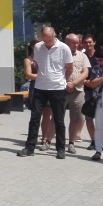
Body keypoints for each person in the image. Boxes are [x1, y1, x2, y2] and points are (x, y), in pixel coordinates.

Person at [17, 27, 73, 158]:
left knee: (59, 119)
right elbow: (37, 64)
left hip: (57, 88)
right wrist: (44, 76)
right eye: (45, 40)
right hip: (40, 87)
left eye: (49, 40)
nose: (47, 43)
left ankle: (60, 149)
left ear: (55, 36)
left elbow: (69, 68)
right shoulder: (38, 47)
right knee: (34, 118)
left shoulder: (64, 48)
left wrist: (61, 80)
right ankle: (29, 148)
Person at [64, 34, 90, 154]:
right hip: (61, 89)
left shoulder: (82, 55)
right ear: (67, 43)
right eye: (73, 43)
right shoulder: (60, 53)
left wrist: (73, 83)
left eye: (77, 43)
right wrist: (66, 83)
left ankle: (71, 143)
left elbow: (85, 73)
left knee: (75, 118)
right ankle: (48, 141)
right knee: (56, 117)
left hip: (78, 90)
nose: (77, 45)